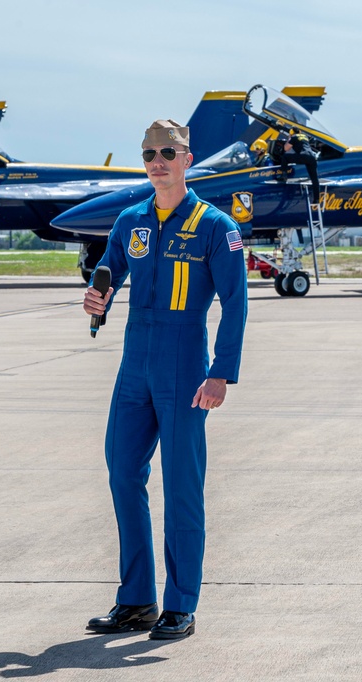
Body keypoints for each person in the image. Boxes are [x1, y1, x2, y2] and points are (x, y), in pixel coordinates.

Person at [82, 119, 248, 641]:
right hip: (135, 362)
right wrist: (96, 298)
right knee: (122, 471)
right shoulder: (130, 220)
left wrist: (221, 372)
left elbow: (236, 304)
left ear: (187, 158)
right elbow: (108, 271)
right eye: (150, 153)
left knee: (181, 485)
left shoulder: (215, 226)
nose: (158, 161)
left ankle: (181, 604)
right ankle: (135, 600)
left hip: (184, 364)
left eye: (168, 153)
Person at [277, 127, 321, 204]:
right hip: (312, 157)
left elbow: (286, 148)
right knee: (314, 179)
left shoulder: (294, 137)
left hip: (303, 156)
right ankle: (316, 199)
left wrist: (289, 138)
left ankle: (283, 176)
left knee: (285, 157)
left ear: (291, 133)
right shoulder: (304, 136)